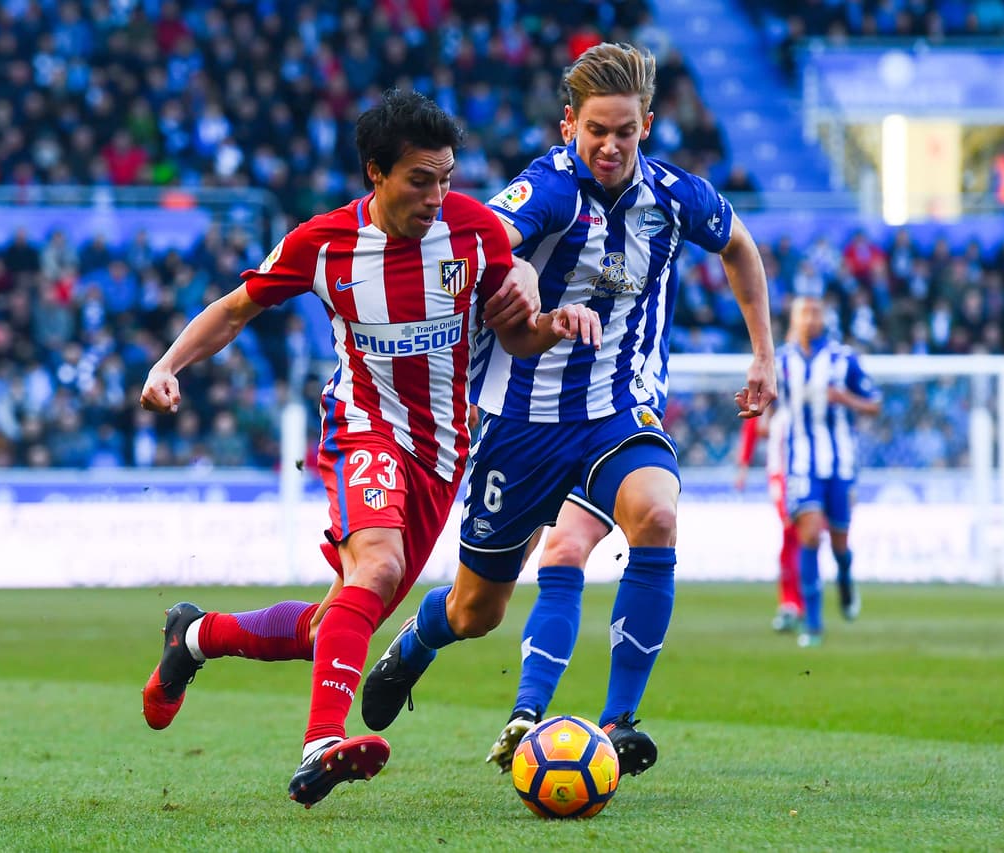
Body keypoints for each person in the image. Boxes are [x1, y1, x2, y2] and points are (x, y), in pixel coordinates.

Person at [137, 90, 600, 808]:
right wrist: (168, 365)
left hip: (443, 455)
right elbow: (234, 309)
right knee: (378, 566)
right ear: (375, 173)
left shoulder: (476, 231)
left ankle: (194, 637)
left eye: (446, 178)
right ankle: (320, 742)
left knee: (336, 625)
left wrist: (552, 325)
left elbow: (515, 335)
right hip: (362, 426)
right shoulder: (323, 244)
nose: (436, 197)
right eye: (420, 180)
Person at [358, 43, 777, 778]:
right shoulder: (548, 188)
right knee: (476, 610)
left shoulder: (675, 197)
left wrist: (764, 354)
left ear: (647, 126)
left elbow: (739, 246)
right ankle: (418, 641)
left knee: (657, 515)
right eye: (596, 131)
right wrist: (518, 272)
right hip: (521, 422)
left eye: (625, 131)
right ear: (568, 127)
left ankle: (618, 721)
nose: (610, 146)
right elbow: (486, 243)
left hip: (618, 408)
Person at [776, 295, 881, 648]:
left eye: (815, 313)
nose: (810, 319)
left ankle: (846, 579)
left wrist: (845, 399)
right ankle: (813, 623)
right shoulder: (781, 360)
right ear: (794, 319)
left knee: (839, 543)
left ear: (824, 319)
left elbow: (875, 403)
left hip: (840, 464)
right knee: (809, 536)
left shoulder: (843, 359)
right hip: (801, 463)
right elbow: (768, 400)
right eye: (804, 314)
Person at [735, 402, 803, 632]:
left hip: (807, 472)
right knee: (791, 531)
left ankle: (798, 603)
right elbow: (755, 423)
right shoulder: (775, 391)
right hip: (781, 474)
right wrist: (743, 465)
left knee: (801, 537)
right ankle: (791, 603)